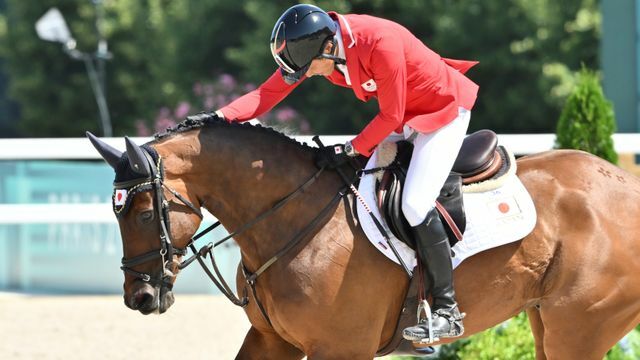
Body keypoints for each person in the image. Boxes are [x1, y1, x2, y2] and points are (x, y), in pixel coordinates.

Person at [214, 4, 478, 341]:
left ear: (327, 48)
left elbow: (391, 115)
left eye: (311, 70)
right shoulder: (320, 46)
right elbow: (267, 94)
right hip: (404, 117)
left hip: (441, 112)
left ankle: (446, 310)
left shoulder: (378, 42)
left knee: (414, 203)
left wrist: (352, 148)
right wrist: (217, 118)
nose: (308, 75)